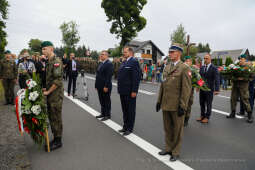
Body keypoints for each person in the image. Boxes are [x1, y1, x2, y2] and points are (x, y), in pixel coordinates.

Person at [156, 43, 192, 162]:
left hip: (177, 105)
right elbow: (163, 85)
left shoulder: (184, 68)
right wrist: (158, 101)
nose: (170, 54)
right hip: (166, 103)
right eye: (169, 52)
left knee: (177, 129)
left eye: (172, 52)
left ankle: (175, 152)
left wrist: (183, 106)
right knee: (167, 128)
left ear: (179, 53)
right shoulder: (167, 67)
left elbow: (186, 89)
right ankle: (168, 148)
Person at [42, 41, 64, 151]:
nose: (43, 51)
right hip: (51, 93)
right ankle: (55, 137)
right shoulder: (49, 61)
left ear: (51, 49)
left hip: (55, 94)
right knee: (51, 116)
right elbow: (50, 79)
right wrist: (46, 88)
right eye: (42, 49)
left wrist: (48, 91)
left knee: (56, 116)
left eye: (45, 49)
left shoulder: (56, 61)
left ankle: (58, 141)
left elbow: (57, 80)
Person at [117, 47, 141, 136]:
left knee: (130, 110)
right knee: (124, 110)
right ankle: (125, 126)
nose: (123, 53)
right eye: (123, 52)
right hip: (123, 90)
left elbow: (136, 78)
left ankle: (130, 128)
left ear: (130, 52)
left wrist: (134, 90)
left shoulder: (134, 62)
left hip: (130, 91)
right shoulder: (124, 62)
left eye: (125, 52)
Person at [226, 55, 253, 123]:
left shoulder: (249, 67)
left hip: (244, 85)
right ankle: (233, 112)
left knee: (245, 99)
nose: (240, 60)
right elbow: (231, 75)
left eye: (242, 59)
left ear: (245, 60)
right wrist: (236, 78)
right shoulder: (235, 67)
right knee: (233, 99)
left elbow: (252, 77)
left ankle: (249, 115)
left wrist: (244, 78)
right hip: (235, 84)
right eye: (239, 59)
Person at [197, 53, 220, 123]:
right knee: (201, 103)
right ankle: (202, 115)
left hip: (209, 89)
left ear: (210, 59)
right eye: (204, 58)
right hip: (202, 88)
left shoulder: (214, 68)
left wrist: (217, 89)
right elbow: (200, 78)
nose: (205, 60)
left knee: (208, 103)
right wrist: (198, 86)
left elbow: (217, 79)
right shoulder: (202, 67)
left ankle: (207, 117)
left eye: (207, 58)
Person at [95, 51, 114, 121]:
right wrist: (96, 85)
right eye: (100, 54)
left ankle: (107, 115)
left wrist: (106, 86)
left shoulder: (109, 64)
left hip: (105, 86)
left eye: (102, 54)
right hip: (100, 86)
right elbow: (98, 75)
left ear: (107, 56)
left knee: (106, 101)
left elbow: (109, 76)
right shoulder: (101, 63)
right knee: (101, 100)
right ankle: (103, 113)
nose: (101, 56)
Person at [183, 56, 194, 127]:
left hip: (190, 91)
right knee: (183, 104)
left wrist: (202, 86)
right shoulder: (182, 69)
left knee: (189, 105)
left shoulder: (193, 70)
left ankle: (186, 119)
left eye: (189, 61)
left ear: (191, 62)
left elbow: (199, 79)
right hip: (183, 91)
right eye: (186, 61)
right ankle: (181, 119)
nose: (187, 62)